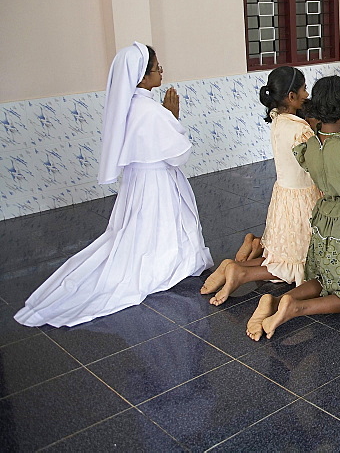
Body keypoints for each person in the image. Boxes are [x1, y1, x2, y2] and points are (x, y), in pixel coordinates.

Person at [15, 43, 213, 328]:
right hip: (157, 182)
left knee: (139, 225)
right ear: (143, 77)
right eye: (157, 67)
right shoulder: (153, 111)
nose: (161, 71)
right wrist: (172, 116)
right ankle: (170, 264)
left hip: (136, 182)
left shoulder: (128, 106)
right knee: (162, 223)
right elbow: (178, 154)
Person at [249, 76, 340, 341]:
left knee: (323, 278)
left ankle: (280, 300)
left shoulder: (309, 146)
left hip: (324, 217)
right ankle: (298, 308)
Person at [200, 67, 321, 308]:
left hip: (284, 196)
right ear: (291, 97)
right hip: (303, 199)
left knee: (284, 251)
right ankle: (242, 272)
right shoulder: (301, 130)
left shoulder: (278, 119)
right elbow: (314, 167)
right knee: (295, 262)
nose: (307, 94)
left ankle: (236, 263)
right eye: (304, 89)